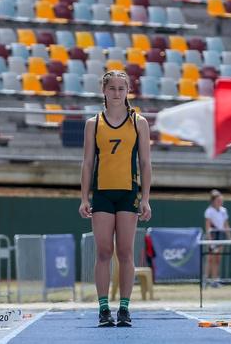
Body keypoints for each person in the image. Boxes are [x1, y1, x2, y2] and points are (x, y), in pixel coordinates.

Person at [78, 70, 152, 328]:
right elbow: (88, 163)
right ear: (104, 92)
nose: (117, 93)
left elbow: (145, 162)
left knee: (125, 252)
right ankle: (103, 309)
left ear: (128, 91)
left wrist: (145, 199)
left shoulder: (139, 122)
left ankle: (124, 309)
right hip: (102, 193)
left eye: (122, 88)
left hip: (128, 193)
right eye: (112, 88)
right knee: (103, 252)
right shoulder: (93, 123)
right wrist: (84, 197)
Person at [204, 189, 231, 287]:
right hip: (213, 235)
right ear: (213, 201)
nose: (220, 202)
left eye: (221, 201)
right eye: (218, 200)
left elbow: (226, 225)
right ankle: (205, 279)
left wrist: (229, 237)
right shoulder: (209, 211)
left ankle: (215, 280)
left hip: (221, 235)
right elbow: (207, 227)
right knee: (210, 258)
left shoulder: (224, 211)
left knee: (217, 259)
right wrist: (210, 241)